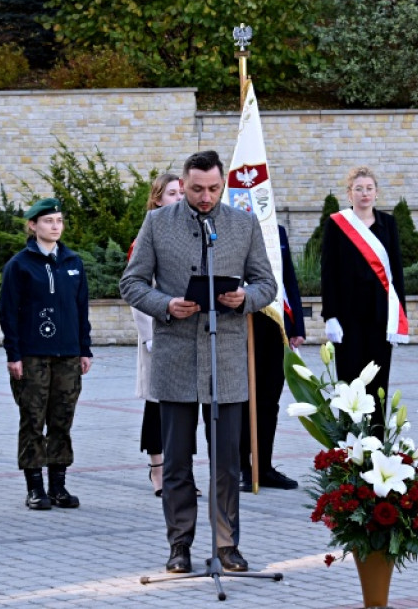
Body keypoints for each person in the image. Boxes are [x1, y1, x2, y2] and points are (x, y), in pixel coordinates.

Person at [120, 150, 277, 575]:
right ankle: (179, 546)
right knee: (176, 462)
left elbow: (268, 283)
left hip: (225, 358)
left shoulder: (242, 225)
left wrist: (247, 298)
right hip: (175, 358)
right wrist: (166, 304)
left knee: (228, 461)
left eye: (213, 188)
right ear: (183, 184)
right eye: (196, 189)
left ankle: (227, 545)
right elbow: (131, 283)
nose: (205, 197)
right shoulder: (157, 223)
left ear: (222, 184)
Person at [0, 198, 92, 511]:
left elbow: (81, 309)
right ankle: (35, 487)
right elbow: (9, 312)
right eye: (48, 221)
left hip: (67, 355)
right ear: (33, 225)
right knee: (33, 420)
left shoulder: (73, 262)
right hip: (32, 355)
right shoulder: (20, 265)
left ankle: (58, 485)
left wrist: (84, 349)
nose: (55, 226)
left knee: (62, 419)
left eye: (59, 221)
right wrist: (14, 354)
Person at [320, 166, 407, 417]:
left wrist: (399, 318)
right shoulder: (337, 224)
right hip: (348, 316)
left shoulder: (388, 224)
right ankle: (349, 448)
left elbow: (397, 273)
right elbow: (329, 272)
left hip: (380, 316)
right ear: (350, 194)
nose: (364, 193)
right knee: (349, 382)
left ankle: (377, 448)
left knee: (378, 382)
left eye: (369, 188)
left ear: (376, 193)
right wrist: (331, 315)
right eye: (359, 189)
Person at [239, 225, 305, 492]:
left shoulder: (276, 229)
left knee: (269, 400)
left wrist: (296, 325)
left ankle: (264, 466)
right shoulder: (228, 224)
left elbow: (287, 276)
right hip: (241, 325)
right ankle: (243, 468)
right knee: (243, 401)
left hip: (275, 326)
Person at [131, 173, 184, 496]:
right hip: (158, 332)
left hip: (187, 335)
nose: (178, 197)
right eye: (172, 193)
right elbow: (136, 289)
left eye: (181, 192)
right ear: (157, 198)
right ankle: (158, 470)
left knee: (184, 409)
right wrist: (149, 333)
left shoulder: (190, 233)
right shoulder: (147, 236)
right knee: (158, 406)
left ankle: (181, 472)